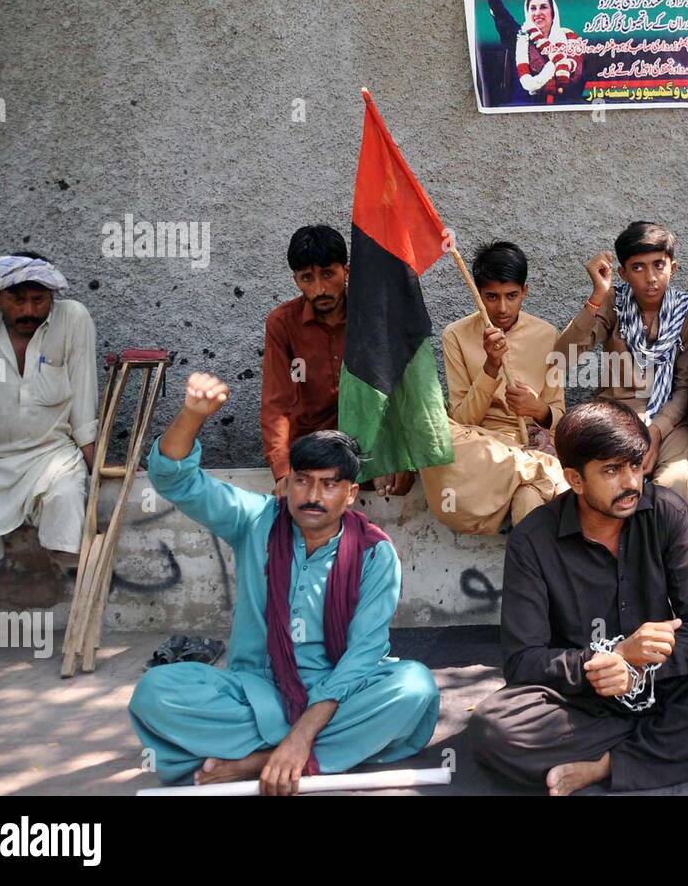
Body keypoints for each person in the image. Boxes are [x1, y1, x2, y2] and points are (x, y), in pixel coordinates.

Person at [469, 400, 688, 795]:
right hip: (587, 698)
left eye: (635, 465)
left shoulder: (668, 514)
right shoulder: (534, 541)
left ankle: (607, 764)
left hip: (667, 681)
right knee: (494, 726)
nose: (630, 483)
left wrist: (639, 671)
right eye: (611, 470)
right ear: (574, 478)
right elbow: (523, 661)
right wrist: (606, 662)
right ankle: (683, 740)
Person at [128, 373, 440, 794]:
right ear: (287, 482)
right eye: (303, 480)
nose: (313, 494)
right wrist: (193, 414)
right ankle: (326, 754)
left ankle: (257, 761)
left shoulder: (374, 554)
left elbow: (364, 655)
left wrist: (301, 734)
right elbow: (175, 480)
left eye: (329, 484)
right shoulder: (255, 520)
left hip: (338, 693)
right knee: (156, 690)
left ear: (349, 494)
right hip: (258, 687)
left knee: (414, 688)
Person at [0, 253, 96, 640]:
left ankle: (66, 574)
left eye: (40, 299)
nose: (30, 310)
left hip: (49, 455)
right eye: (19, 299)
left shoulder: (73, 318)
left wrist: (95, 468)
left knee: (67, 494)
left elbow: (84, 402)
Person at [419, 242, 567, 535]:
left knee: (529, 499)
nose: (502, 308)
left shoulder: (547, 335)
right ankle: (540, 469)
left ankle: (531, 471)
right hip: (479, 449)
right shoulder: (456, 335)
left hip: (523, 443)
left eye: (511, 296)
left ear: (525, 291)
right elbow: (461, 421)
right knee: (430, 431)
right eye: (491, 297)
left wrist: (537, 408)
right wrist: (490, 368)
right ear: (477, 294)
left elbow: (560, 419)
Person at [260, 225, 412, 501]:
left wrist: (398, 453)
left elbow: (399, 390)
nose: (319, 289)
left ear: (346, 270)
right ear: (296, 280)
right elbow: (276, 403)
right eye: (307, 278)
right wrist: (282, 472)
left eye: (328, 274)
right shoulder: (283, 324)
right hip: (313, 449)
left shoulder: (374, 316)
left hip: (369, 444)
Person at [554, 221, 688, 501]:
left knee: (673, 486)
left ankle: (661, 545)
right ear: (622, 273)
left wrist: (656, 431)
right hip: (614, 417)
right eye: (638, 267)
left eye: (659, 264)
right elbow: (563, 356)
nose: (651, 277)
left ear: (673, 267)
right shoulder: (613, 303)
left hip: (667, 421)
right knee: (608, 488)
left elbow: (686, 387)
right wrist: (597, 296)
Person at [477, 0, 584, 106]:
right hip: (525, 111)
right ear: (528, 14)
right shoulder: (520, 37)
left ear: (553, 13)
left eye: (543, 7)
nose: (538, 12)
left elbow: (579, 79)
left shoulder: (570, 39)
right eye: (533, 8)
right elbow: (500, 13)